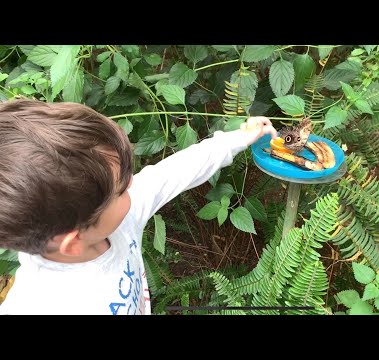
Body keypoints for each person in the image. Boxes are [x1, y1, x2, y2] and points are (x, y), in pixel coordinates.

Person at [0, 99, 277, 314]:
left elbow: (172, 173)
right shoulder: (38, 305)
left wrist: (236, 140)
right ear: (73, 242)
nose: (133, 184)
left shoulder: (113, 221)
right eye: (121, 189)